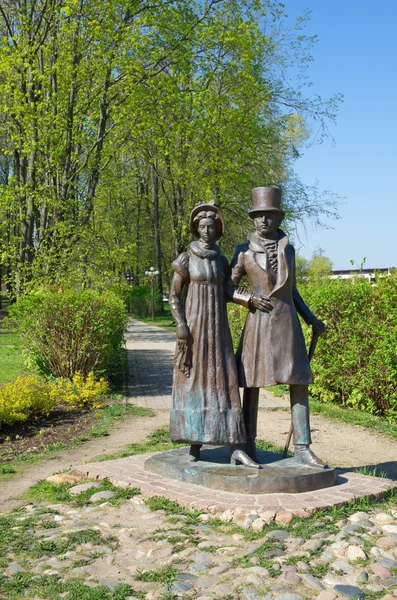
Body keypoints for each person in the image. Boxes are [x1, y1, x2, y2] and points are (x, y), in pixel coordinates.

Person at [231, 186, 327, 468]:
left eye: (270, 216)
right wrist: (248, 298)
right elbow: (228, 287)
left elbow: (292, 291)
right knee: (251, 384)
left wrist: (311, 319)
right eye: (259, 216)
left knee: (298, 382)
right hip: (258, 325)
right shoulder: (243, 251)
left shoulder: (290, 250)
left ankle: (302, 446)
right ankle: (247, 443)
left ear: (278, 218)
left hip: (287, 324)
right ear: (253, 219)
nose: (264, 221)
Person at [169, 201, 263, 468]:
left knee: (224, 380)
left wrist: (250, 300)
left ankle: (236, 447)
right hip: (195, 330)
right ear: (196, 229)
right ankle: (193, 441)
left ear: (218, 229)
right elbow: (174, 297)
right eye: (202, 227)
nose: (207, 231)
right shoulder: (185, 258)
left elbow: (227, 290)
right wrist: (181, 326)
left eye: (212, 226)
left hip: (218, 329)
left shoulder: (222, 260)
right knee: (194, 381)